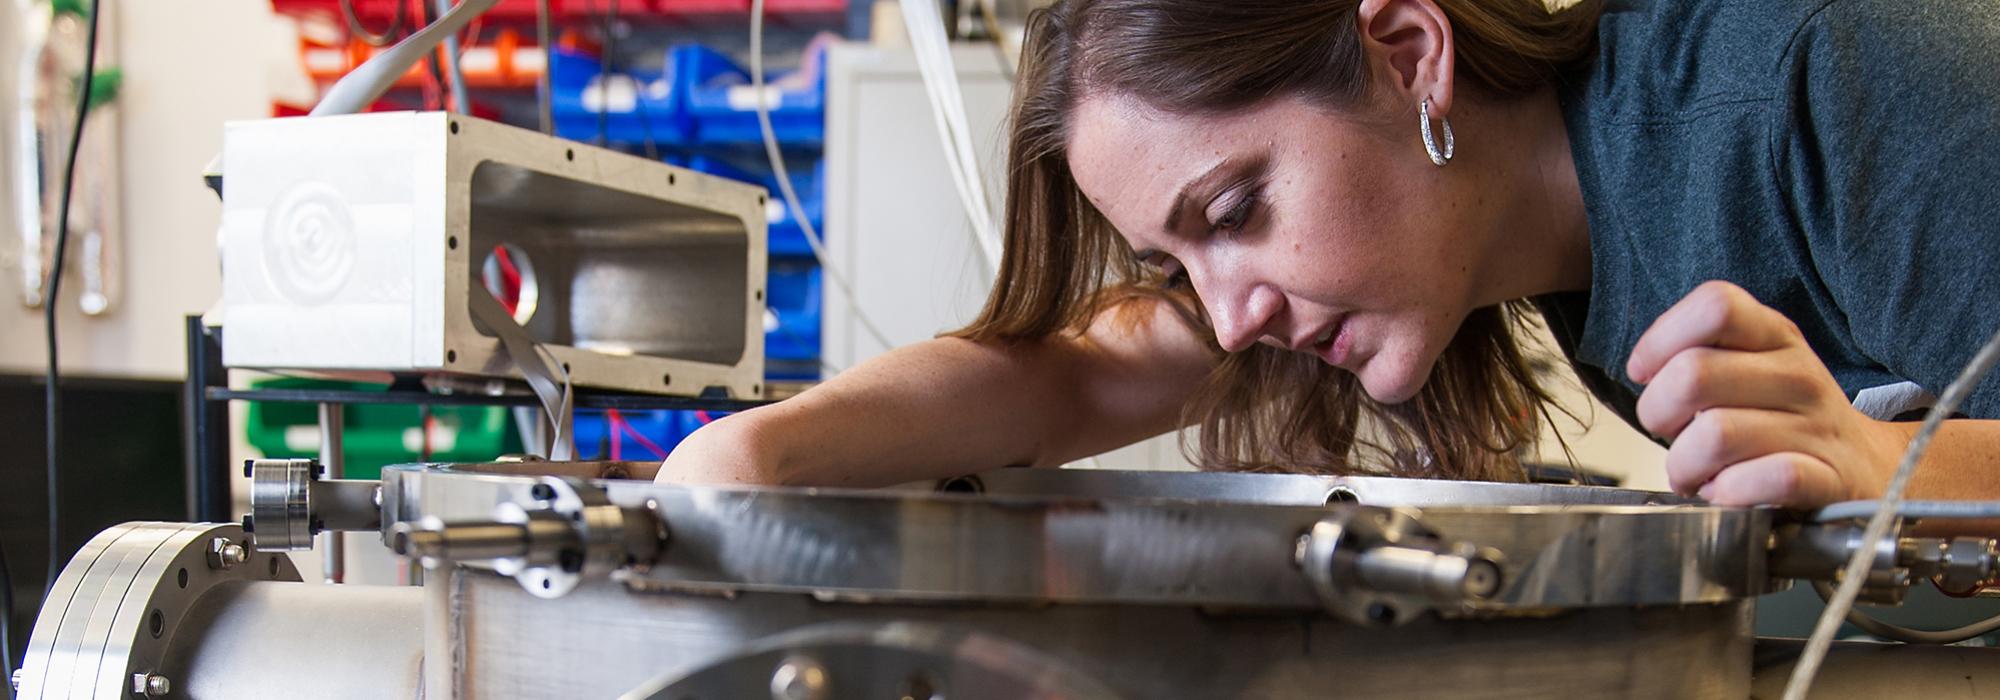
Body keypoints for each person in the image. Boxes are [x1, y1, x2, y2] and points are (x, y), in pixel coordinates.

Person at [659, 0, 2000, 519]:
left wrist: (1887, 467)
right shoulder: (1484, 227)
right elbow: (1078, 383)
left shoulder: (1830, 69)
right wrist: (750, 457)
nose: (1229, 319)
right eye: (1180, 262)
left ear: (1409, 53)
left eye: (1235, 207)